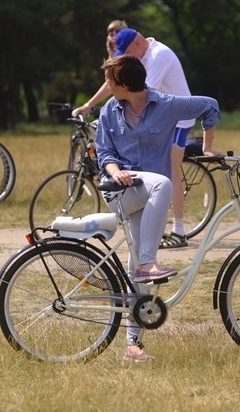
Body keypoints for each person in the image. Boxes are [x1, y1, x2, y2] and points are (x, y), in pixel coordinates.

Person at [95, 55, 220, 361]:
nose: (106, 86)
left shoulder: (165, 105)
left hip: (148, 196)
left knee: (133, 263)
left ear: (125, 85)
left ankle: (132, 345)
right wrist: (115, 172)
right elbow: (103, 153)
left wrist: (206, 146)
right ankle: (148, 262)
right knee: (163, 183)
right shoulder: (109, 111)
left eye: (111, 81)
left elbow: (210, 105)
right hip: (120, 192)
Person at [73, 27, 196, 249]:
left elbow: (143, 94)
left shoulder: (160, 55)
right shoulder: (140, 56)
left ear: (138, 44)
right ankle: (144, 234)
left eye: (127, 51)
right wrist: (90, 105)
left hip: (176, 120)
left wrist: (114, 116)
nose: (125, 57)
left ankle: (179, 230)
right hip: (155, 119)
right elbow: (116, 83)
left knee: (170, 171)